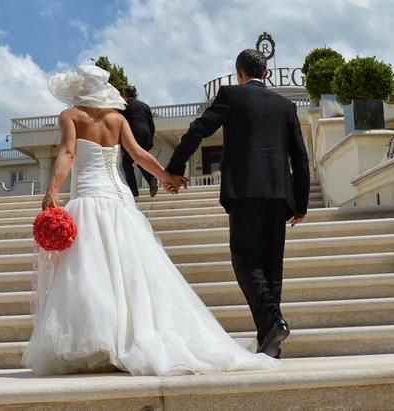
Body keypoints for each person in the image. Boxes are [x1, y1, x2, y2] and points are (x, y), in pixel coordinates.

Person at [21, 61, 278, 376]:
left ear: (78, 89)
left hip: (88, 199)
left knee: (89, 273)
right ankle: (130, 337)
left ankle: (101, 342)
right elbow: (140, 155)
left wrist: (52, 190)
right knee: (129, 271)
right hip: (120, 201)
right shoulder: (117, 119)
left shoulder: (70, 117)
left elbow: (68, 154)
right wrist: (168, 176)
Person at [165, 49, 310, 359]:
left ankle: (273, 322)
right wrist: (301, 203)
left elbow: (199, 130)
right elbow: (300, 156)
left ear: (238, 73)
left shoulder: (231, 94)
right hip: (280, 193)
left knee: (245, 260)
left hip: (246, 191)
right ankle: (270, 343)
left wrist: (175, 167)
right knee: (271, 269)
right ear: (267, 73)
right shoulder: (286, 105)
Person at [121, 85, 159, 197]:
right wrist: (150, 140)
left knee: (127, 163)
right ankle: (151, 178)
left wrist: (122, 146)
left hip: (131, 135)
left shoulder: (123, 107)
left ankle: (133, 190)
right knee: (142, 160)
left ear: (124, 95)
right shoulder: (145, 106)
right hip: (145, 136)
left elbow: (121, 125)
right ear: (136, 94)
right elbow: (152, 126)